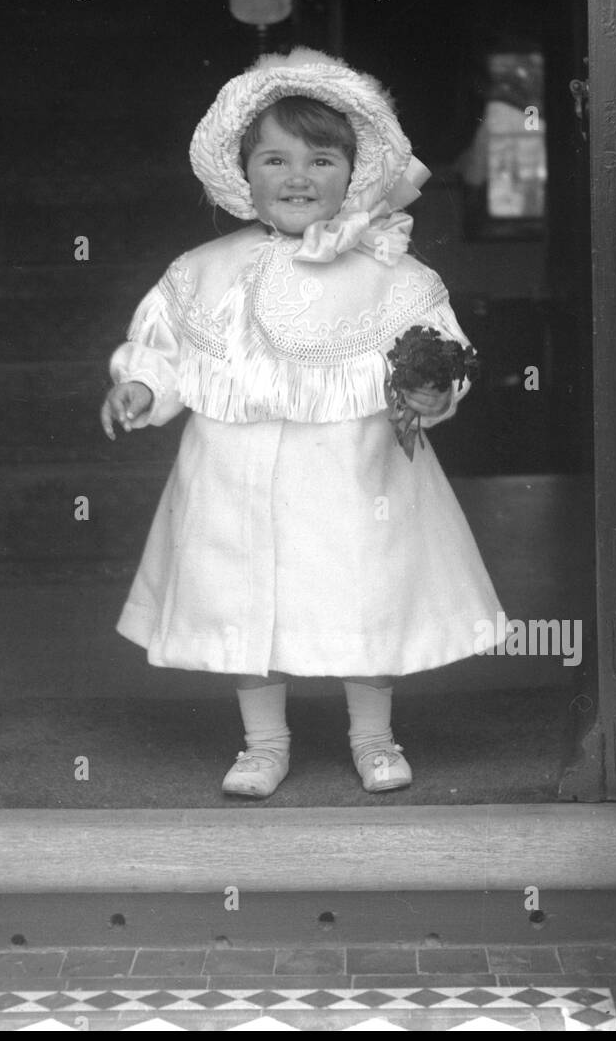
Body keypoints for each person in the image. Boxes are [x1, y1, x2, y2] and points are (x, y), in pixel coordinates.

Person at [100, 47, 505, 799]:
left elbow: (441, 357)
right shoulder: (206, 268)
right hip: (234, 468)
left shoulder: (392, 274)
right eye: (273, 160)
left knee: (364, 589)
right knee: (243, 592)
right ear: (241, 173)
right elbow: (168, 346)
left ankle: (373, 733)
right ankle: (262, 742)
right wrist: (140, 385)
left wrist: (429, 394)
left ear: (353, 174)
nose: (295, 178)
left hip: (353, 471)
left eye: (320, 160)